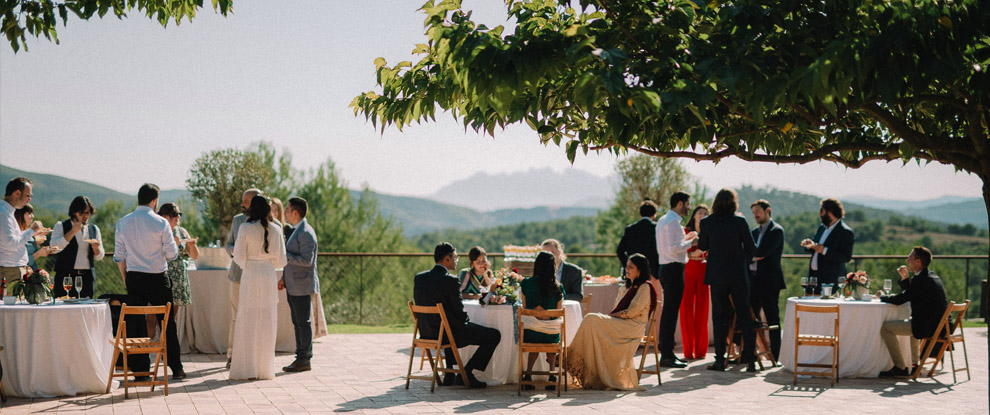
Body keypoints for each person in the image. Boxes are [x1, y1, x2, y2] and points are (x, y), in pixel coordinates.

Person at [114, 183, 185, 380]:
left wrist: (126, 278)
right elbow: (172, 255)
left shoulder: (123, 222)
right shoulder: (161, 223)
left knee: (136, 323)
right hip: (158, 278)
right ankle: (176, 368)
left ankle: (140, 370)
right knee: (167, 323)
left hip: (134, 277)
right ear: (155, 201)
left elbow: (119, 255)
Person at [413, 242, 501, 388]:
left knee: (447, 324)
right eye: (455, 257)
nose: (456, 260)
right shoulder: (451, 280)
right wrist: (466, 320)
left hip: (426, 333)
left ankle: (449, 375)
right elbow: (460, 314)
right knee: (493, 335)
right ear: (447, 259)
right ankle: (466, 372)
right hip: (448, 334)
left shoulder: (419, 278)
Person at [565, 253, 658, 390]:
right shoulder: (626, 288)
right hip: (620, 324)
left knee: (591, 318)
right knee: (592, 321)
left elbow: (631, 312)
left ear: (639, 271)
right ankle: (586, 370)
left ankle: (571, 359)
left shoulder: (644, 287)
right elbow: (617, 310)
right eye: (626, 266)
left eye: (631, 267)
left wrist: (610, 317)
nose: (626, 269)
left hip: (631, 327)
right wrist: (610, 317)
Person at [699, 189, 758, 372]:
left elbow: (702, 245)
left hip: (717, 275)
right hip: (738, 274)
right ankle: (750, 359)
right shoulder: (740, 221)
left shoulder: (706, 222)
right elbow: (751, 248)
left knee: (719, 317)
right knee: (744, 316)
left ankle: (719, 359)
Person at [229, 195, 287, 380]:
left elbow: (238, 257)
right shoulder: (276, 229)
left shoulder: (245, 228)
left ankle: (247, 368)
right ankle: (264, 369)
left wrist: (250, 263)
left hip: (251, 273)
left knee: (247, 318)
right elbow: (281, 260)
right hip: (268, 274)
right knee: (266, 319)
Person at [877, 246, 948, 378]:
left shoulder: (922, 280)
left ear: (918, 262)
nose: (907, 260)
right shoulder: (930, 276)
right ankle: (915, 365)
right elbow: (913, 293)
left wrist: (881, 297)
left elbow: (900, 300)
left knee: (885, 328)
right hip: (939, 325)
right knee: (912, 320)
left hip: (929, 326)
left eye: (910, 257)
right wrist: (905, 278)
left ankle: (900, 367)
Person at [654, 191, 697, 368]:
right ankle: (666, 354)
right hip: (673, 268)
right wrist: (692, 243)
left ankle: (668, 352)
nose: (689, 207)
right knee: (670, 312)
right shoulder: (672, 222)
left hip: (666, 267)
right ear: (680, 204)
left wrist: (685, 239)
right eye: (687, 204)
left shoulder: (664, 220)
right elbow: (674, 249)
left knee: (669, 311)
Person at [279, 197, 319, 373]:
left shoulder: (305, 233)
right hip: (293, 284)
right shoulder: (296, 230)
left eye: (287, 209)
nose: (285, 213)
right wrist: (283, 278)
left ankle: (304, 359)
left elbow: (307, 261)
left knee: (303, 322)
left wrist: (285, 255)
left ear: (296, 212)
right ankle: (300, 356)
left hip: (302, 285)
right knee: (298, 321)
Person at [225, 188, 262, 368]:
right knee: (236, 315)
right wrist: (233, 251)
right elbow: (229, 243)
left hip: (256, 276)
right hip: (238, 274)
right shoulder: (237, 220)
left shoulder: (267, 223)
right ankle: (232, 354)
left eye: (245, 201)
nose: (242, 204)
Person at [519, 251, 564, 391]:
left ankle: (528, 374)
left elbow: (526, 307)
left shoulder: (526, 283)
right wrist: (545, 316)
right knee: (550, 332)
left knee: (536, 328)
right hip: (550, 334)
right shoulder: (558, 287)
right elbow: (557, 313)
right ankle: (552, 374)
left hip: (530, 334)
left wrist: (538, 315)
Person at [748, 199, 785, 362]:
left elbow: (762, 252)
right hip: (753, 281)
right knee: (752, 319)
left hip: (770, 282)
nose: (755, 214)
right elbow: (750, 253)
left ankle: (776, 356)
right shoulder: (754, 232)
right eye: (753, 212)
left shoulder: (777, 231)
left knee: (772, 319)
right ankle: (753, 355)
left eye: (758, 211)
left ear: (767, 210)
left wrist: (751, 255)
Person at [51, 196, 105, 298]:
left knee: (86, 310)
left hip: (87, 278)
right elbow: (54, 248)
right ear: (74, 212)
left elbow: (99, 256)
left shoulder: (94, 229)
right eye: (81, 212)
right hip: (66, 277)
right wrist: (72, 232)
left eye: (87, 213)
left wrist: (95, 248)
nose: (85, 216)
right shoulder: (61, 225)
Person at [801, 198, 855, 292]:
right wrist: (810, 245)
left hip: (830, 281)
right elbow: (816, 246)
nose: (819, 214)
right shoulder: (822, 228)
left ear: (830, 212)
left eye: (821, 210)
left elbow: (846, 257)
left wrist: (824, 250)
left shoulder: (845, 232)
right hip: (813, 279)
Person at [1, 177, 49, 284]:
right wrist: (32, 230)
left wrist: (32, 233)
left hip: (13, 270)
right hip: (10, 272)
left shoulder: (7, 212)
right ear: (17, 193)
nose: (29, 199)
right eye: (28, 195)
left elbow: (12, 239)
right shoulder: (3, 213)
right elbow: (11, 243)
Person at [680, 204, 710, 360]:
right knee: (686, 308)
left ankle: (700, 350)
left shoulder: (709, 231)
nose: (702, 214)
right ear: (694, 215)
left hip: (704, 269)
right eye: (700, 212)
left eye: (705, 212)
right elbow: (680, 248)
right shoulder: (686, 231)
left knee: (702, 309)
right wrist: (693, 246)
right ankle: (687, 350)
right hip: (689, 268)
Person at [158, 202, 198, 318]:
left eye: (179, 214)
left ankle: (167, 336)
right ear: (165, 216)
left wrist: (192, 245)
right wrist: (172, 244)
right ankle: (152, 337)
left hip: (178, 276)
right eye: (174, 214)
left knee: (172, 315)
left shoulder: (182, 231)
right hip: (162, 274)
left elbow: (194, 256)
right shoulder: (159, 231)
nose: (178, 217)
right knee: (153, 315)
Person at [616, 199, 660, 277]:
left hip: (633, 271)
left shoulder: (630, 229)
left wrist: (628, 265)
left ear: (640, 213)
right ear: (654, 214)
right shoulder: (657, 228)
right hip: (652, 271)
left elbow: (620, 250)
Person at [14, 204, 52, 271]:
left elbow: (30, 253)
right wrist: (39, 253)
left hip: (30, 271)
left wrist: (37, 243)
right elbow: (21, 261)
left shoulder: (28, 232)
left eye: (32, 213)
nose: (32, 216)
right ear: (20, 215)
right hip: (20, 273)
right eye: (29, 213)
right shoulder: (16, 234)